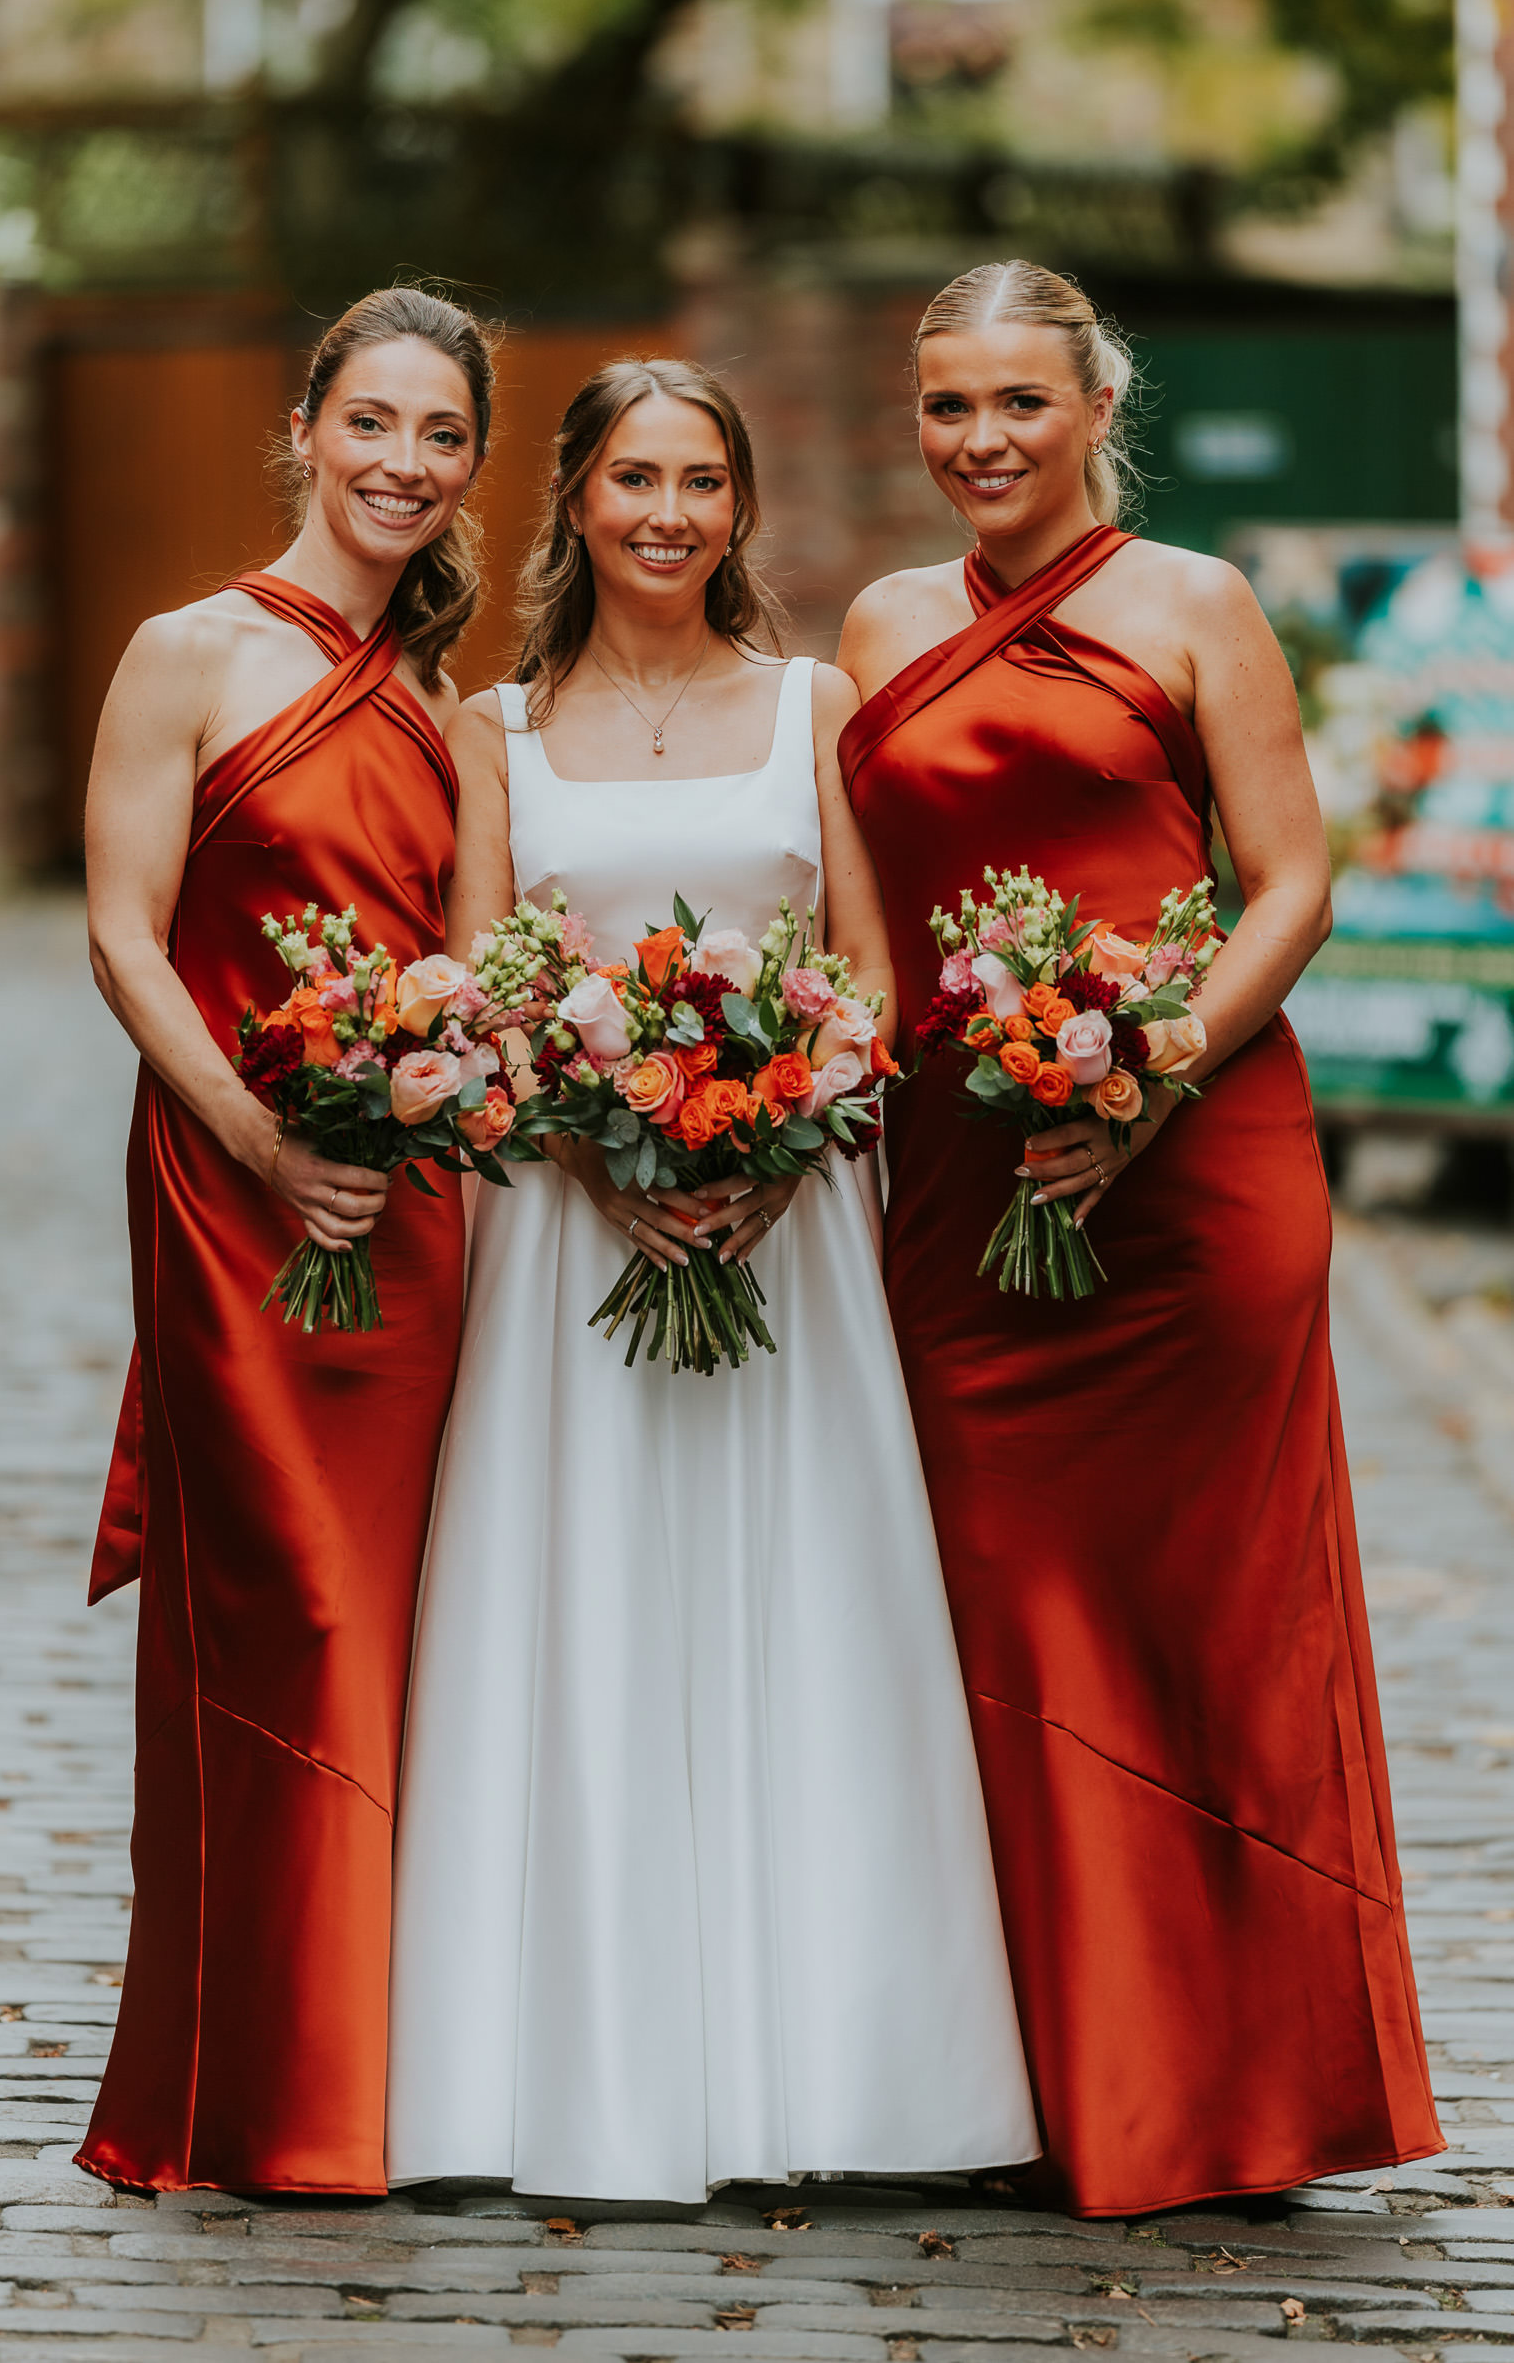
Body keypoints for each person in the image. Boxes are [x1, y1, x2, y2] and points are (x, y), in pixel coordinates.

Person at [383, 356, 1040, 2204]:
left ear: (739, 508)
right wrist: (603, 1150)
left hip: (789, 1222)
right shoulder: (495, 728)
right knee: (578, 1590)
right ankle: (563, 2075)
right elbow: (487, 978)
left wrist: (785, 1132)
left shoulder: (814, 703)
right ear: (577, 501)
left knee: (809, 1598)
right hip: (569, 1225)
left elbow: (875, 971)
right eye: (634, 479)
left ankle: (842, 2069)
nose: (667, 514)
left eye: (701, 482)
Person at [836, 259, 1442, 2217]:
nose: (982, 439)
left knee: (1210, 1619)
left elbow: (1293, 884)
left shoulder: (1196, 603)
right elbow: (869, 918)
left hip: (1192, 1175)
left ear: (1099, 405)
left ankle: (1246, 2100)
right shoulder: (881, 622)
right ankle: (1051, 2084)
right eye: (948, 405)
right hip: (963, 1181)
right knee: (1000, 1608)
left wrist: (1150, 1075)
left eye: (1021, 400)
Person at [78, 286, 492, 2195]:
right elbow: (124, 935)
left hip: (408, 1214)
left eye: (441, 436)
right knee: (284, 1614)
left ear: (470, 467)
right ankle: (256, 2091)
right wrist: (258, 1141)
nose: (402, 463)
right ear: (307, 428)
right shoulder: (188, 651)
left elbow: (478, 973)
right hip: (227, 1190)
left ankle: (378, 2074)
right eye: (372, 423)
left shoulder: (447, 710)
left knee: (394, 1621)